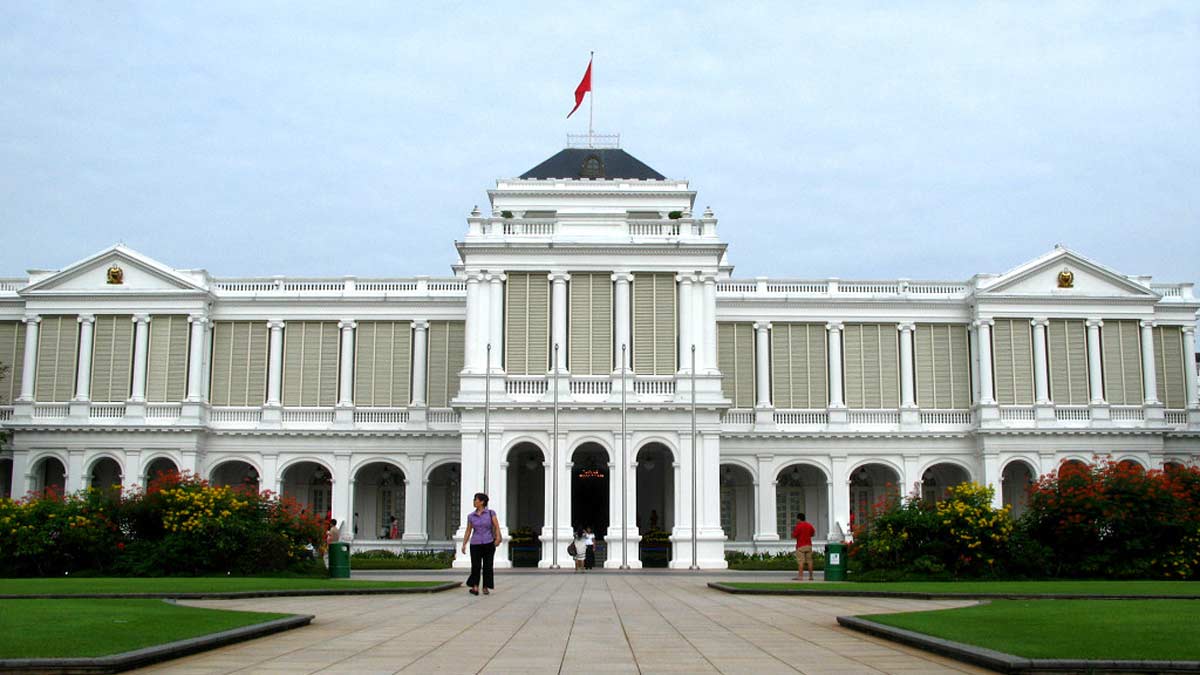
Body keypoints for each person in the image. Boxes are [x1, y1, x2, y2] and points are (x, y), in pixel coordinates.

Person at [461, 492, 501, 596]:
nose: (474, 502)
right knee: (476, 566)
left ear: (482, 502)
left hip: (488, 542)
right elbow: (468, 530)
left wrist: (498, 537)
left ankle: (485, 586)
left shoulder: (491, 513)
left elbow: (496, 526)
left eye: (476, 500)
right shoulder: (471, 516)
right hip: (475, 543)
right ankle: (475, 587)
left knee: (488, 565)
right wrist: (464, 543)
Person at [791, 512, 816, 581]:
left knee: (801, 562)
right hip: (808, 545)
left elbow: (794, 535)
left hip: (800, 546)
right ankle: (811, 577)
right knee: (810, 561)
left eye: (797, 519)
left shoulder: (798, 526)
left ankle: (800, 577)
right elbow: (813, 533)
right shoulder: (809, 525)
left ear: (799, 519)